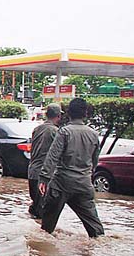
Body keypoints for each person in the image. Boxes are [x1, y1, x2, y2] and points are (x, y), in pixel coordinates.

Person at [38, 98, 104, 238]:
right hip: (84, 185)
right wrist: (87, 177)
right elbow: (95, 162)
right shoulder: (93, 134)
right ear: (85, 114)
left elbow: (52, 157)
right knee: (96, 230)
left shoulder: (64, 132)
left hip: (61, 184)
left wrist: (44, 178)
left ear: (68, 114)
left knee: (46, 230)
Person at [27, 103, 61, 219]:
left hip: (32, 172)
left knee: (35, 207)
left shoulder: (36, 129)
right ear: (58, 116)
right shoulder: (56, 132)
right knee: (43, 211)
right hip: (44, 176)